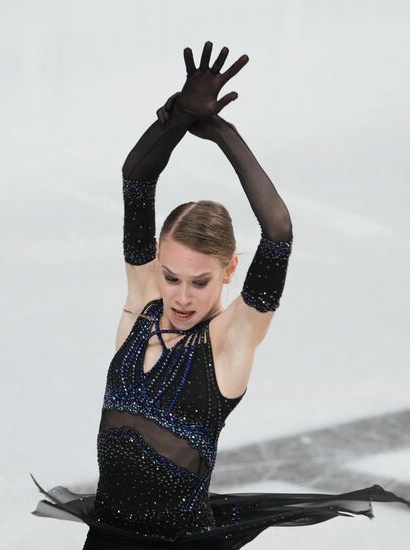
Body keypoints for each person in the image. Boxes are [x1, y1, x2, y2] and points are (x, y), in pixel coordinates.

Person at [30, 42, 410, 549]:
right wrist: (178, 118)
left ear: (230, 270)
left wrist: (223, 134)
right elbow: (136, 179)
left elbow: (278, 232)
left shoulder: (230, 340)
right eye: (171, 277)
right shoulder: (143, 304)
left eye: (200, 281)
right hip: (105, 538)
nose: (181, 296)